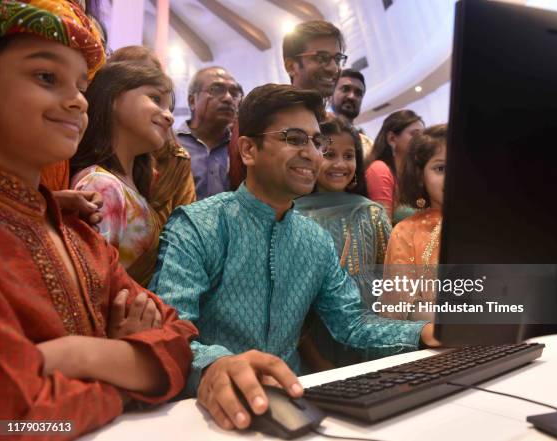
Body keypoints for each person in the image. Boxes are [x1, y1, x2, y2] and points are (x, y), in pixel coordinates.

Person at [149, 84, 438, 432]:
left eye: (317, 142)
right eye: (295, 138)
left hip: (295, 407)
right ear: (249, 150)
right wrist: (215, 365)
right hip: (205, 414)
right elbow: (169, 333)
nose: (312, 154)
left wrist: (424, 332)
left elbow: (351, 323)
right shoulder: (197, 226)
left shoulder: (314, 240)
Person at [0, 1, 197, 438]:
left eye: (81, 88)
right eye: (45, 77)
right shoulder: (92, 199)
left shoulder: (80, 236)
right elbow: (19, 418)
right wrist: (125, 380)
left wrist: (79, 355)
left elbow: (181, 339)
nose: (75, 101)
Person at [294, 115, 392, 370]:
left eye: (348, 156)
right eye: (329, 154)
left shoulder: (372, 214)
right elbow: (292, 302)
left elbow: (389, 283)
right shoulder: (293, 215)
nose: (340, 164)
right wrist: (315, 359)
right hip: (314, 337)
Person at [70, 61, 174, 286]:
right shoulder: (101, 185)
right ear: (114, 98)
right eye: (156, 99)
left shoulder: (124, 184)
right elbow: (91, 284)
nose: (169, 116)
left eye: (170, 108)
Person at [107, 45, 197, 227]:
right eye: (154, 98)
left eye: (165, 103)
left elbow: (185, 231)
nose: (169, 117)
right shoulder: (97, 178)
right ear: (113, 94)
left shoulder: (174, 159)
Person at [384, 124, 447, 319]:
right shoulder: (407, 231)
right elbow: (403, 304)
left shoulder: (493, 223)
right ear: (420, 176)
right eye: (441, 168)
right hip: (437, 343)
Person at [177, 66, 241, 200]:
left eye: (234, 92)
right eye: (216, 90)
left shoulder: (242, 148)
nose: (228, 98)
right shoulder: (170, 145)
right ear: (192, 101)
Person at [365, 109, 424, 222]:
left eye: (423, 135)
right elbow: (382, 229)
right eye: (415, 134)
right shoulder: (379, 169)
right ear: (392, 139)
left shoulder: (414, 171)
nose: (422, 140)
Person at [283, 20, 346, 100]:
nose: (334, 69)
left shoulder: (318, 111)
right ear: (291, 66)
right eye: (321, 58)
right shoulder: (282, 112)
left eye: (337, 59)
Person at [330, 68, 374, 157]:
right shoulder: (317, 132)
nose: (352, 96)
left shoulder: (368, 145)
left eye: (358, 93)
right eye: (345, 89)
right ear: (331, 93)